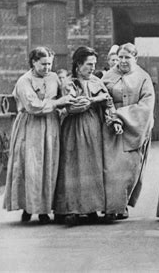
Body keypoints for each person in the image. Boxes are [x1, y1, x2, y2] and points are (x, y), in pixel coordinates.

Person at [3, 46, 76, 224]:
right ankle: (29, 208)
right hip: (30, 126)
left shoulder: (52, 78)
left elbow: (65, 92)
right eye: (43, 64)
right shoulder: (24, 81)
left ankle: (45, 209)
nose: (47, 68)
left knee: (49, 164)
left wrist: (70, 94)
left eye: (49, 64)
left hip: (50, 125)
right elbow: (33, 106)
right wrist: (58, 102)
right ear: (34, 62)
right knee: (31, 166)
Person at [53, 46, 118, 226]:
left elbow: (109, 102)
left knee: (93, 166)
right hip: (73, 127)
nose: (91, 68)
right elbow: (72, 106)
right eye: (88, 64)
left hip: (94, 127)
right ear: (78, 65)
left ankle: (91, 209)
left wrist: (113, 118)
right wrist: (93, 101)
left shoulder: (97, 81)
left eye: (94, 64)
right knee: (72, 167)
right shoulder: (69, 83)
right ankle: (70, 209)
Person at [102, 43, 155, 221]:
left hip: (134, 128)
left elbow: (146, 106)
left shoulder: (143, 78)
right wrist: (111, 117)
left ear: (135, 59)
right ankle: (111, 207)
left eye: (127, 57)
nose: (123, 61)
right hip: (111, 128)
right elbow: (102, 99)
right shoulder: (108, 76)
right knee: (111, 168)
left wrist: (122, 115)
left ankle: (122, 205)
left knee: (129, 169)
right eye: (121, 57)